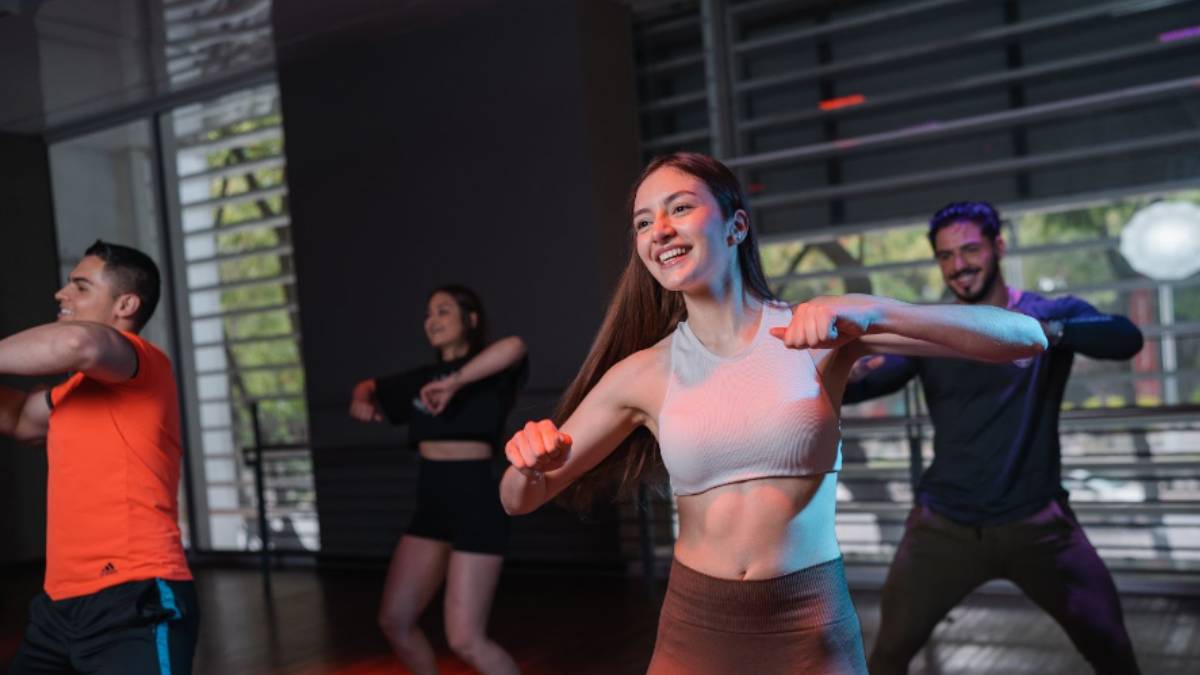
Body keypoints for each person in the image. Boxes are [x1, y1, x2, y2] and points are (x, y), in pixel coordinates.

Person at [498, 154, 1047, 674]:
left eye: (680, 207)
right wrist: (527, 464)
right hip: (696, 629)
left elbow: (1024, 339)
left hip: (810, 627)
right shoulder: (642, 374)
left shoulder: (819, 334)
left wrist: (873, 310)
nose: (659, 229)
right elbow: (520, 499)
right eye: (643, 222)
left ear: (736, 227)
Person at [844, 201, 1145, 675]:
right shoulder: (935, 330)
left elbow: (1125, 337)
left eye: (969, 249)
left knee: (1114, 651)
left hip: (1038, 526)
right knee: (886, 658)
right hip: (943, 527)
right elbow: (870, 383)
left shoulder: (1047, 313)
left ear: (998, 246)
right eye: (946, 256)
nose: (958, 265)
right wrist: (840, 371)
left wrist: (1044, 332)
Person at [1, 240, 198, 675]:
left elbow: (77, 343)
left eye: (81, 286)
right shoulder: (71, 392)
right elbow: (18, 417)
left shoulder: (143, 363)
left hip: (134, 597)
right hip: (59, 606)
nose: (61, 294)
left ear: (125, 303)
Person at [349, 285, 527, 675]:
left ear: (471, 320)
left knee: (465, 640)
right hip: (431, 504)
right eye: (429, 314)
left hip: (477, 503)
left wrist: (454, 382)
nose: (433, 320)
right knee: (395, 620)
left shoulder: (489, 373)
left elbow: (515, 345)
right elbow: (371, 386)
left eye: (444, 311)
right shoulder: (419, 379)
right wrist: (361, 397)